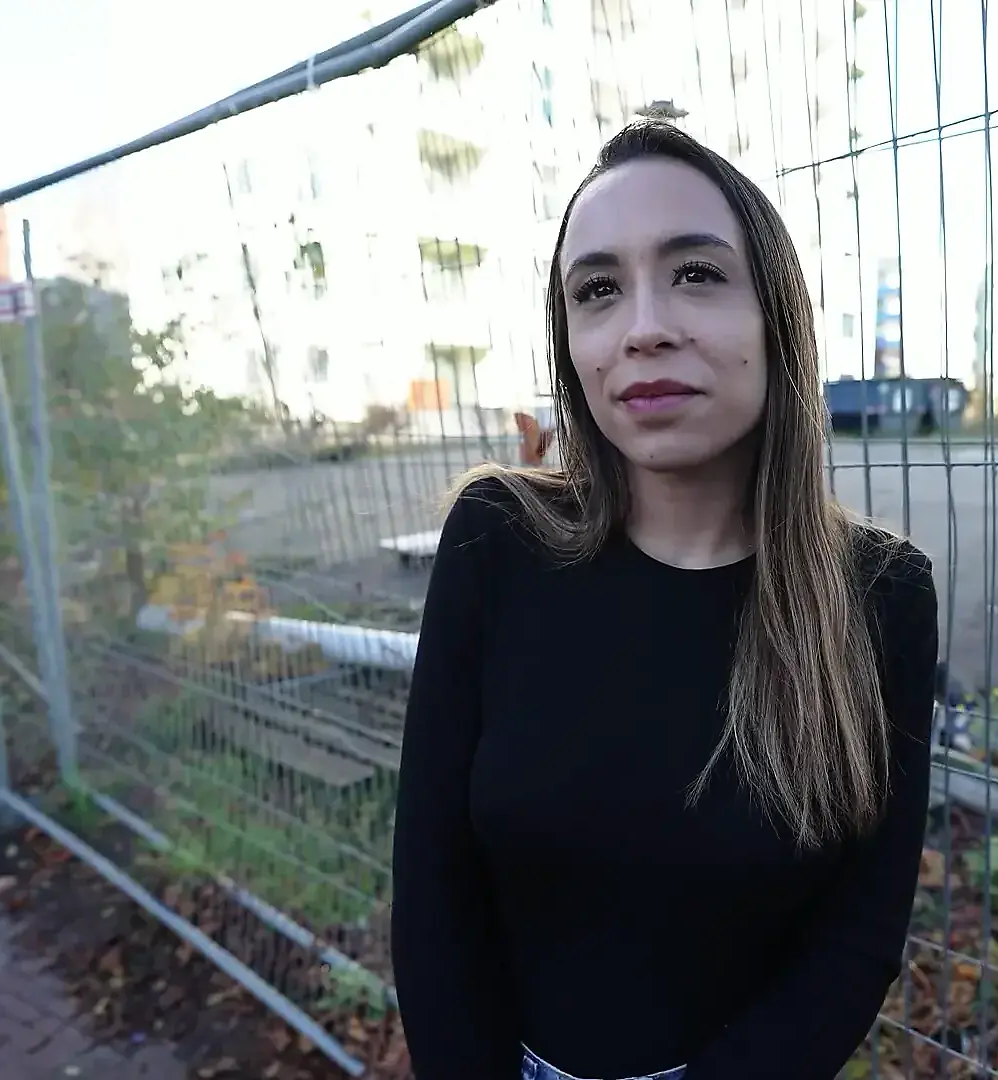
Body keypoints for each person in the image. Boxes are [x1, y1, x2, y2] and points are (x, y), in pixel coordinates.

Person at [391, 120, 940, 1080]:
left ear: (776, 317)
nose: (642, 327)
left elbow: (859, 933)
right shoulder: (498, 538)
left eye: (695, 273)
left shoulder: (879, 594)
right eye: (597, 291)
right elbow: (433, 885)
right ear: (573, 344)